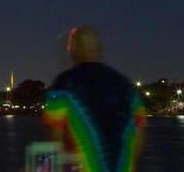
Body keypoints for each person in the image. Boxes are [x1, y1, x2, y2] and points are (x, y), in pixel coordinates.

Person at [43, 26, 145, 172]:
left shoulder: (63, 86)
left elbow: (54, 140)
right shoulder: (127, 87)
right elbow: (138, 142)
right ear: (99, 49)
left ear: (72, 49)